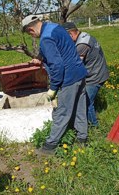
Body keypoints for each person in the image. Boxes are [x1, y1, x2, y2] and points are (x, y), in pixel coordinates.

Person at [22, 15, 88, 155]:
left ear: (30, 30)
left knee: (61, 113)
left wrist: (53, 88)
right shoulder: (54, 27)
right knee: (80, 108)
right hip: (80, 73)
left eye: (29, 34)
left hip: (68, 78)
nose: (32, 36)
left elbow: (57, 65)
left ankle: (49, 146)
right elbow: (59, 47)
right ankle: (82, 138)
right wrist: (39, 58)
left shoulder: (45, 38)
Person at [62, 22, 109, 127]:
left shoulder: (82, 45)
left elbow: (75, 66)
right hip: (98, 71)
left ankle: (94, 126)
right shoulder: (84, 36)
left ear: (71, 34)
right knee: (83, 99)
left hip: (95, 76)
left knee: (86, 102)